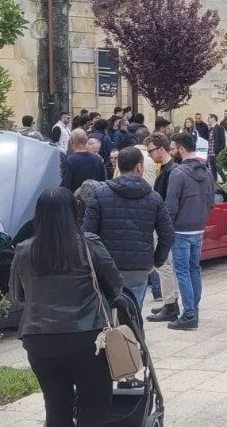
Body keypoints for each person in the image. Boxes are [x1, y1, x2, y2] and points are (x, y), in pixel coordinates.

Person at [9, 188, 122, 427]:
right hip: (84, 338)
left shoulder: (24, 250)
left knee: (56, 403)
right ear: (74, 212)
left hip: (37, 340)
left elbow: (16, 297)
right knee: (95, 404)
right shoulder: (88, 246)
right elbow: (116, 284)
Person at [84, 145, 175, 314]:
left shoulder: (100, 194)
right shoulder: (154, 198)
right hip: (138, 268)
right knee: (133, 315)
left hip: (106, 267)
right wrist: (157, 260)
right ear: (139, 167)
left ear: (118, 165)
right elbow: (168, 235)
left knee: (106, 315)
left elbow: (88, 234)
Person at [164, 133, 213, 330]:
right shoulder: (207, 171)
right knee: (194, 270)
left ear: (182, 149)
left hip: (181, 230)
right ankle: (194, 310)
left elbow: (171, 206)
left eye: (174, 148)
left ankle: (190, 314)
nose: (172, 151)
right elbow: (211, 202)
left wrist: (167, 227)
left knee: (183, 271)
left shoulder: (178, 173)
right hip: (198, 227)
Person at [145, 135, 183, 323]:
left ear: (161, 149)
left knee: (164, 265)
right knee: (165, 265)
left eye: (151, 150)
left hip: (164, 224)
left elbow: (167, 202)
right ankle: (170, 302)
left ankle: (170, 304)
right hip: (164, 224)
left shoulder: (170, 172)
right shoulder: (169, 170)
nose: (150, 155)